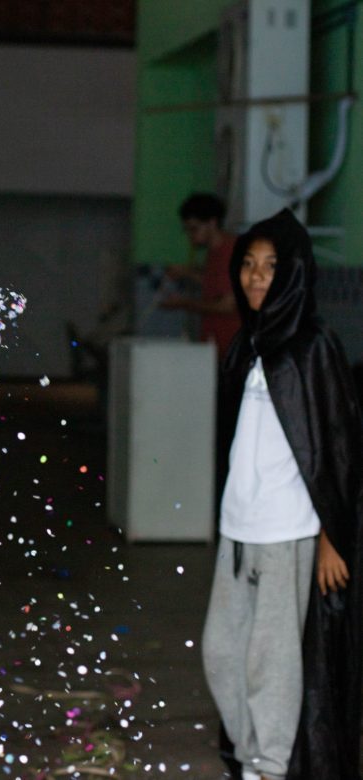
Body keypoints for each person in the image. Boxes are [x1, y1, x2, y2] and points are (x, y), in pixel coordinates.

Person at [200, 209, 363, 780]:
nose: (255, 275)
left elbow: (338, 448)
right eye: (248, 264)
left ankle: (268, 768)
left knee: (271, 661)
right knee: (222, 652)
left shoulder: (314, 347)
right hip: (238, 528)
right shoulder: (247, 346)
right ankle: (252, 757)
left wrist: (331, 537)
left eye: (270, 266)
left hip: (286, 530)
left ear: (292, 273)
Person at [160, 193, 240, 358]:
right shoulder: (214, 253)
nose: (190, 236)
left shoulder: (230, 252)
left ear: (212, 223)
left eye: (194, 229)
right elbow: (215, 284)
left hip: (234, 351)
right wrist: (186, 272)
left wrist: (184, 303)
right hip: (217, 349)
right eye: (187, 230)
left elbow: (227, 305)